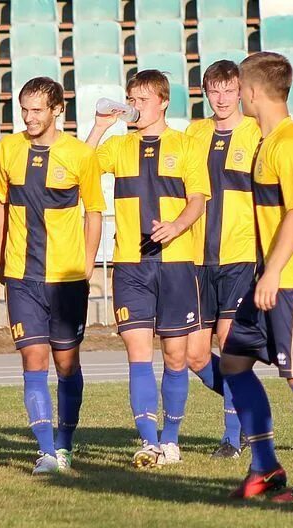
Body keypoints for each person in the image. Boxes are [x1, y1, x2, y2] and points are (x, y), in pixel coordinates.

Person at [220, 52, 293, 503]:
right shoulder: (269, 141)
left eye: (239, 88)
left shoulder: (290, 144)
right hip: (266, 278)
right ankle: (266, 466)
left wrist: (274, 271)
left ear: (250, 92)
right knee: (233, 361)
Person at [87, 70, 209, 468]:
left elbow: (197, 201)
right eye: (131, 99)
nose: (135, 106)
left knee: (175, 356)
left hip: (175, 264)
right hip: (130, 264)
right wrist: (99, 127)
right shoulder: (119, 146)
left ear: (162, 102)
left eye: (142, 99)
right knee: (138, 355)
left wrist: (176, 227)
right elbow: (79, 169)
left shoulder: (186, 146)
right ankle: (149, 442)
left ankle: (171, 439)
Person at [0, 77, 104, 474]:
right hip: (22, 275)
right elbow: (1, 203)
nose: (28, 117)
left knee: (66, 364)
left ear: (58, 110)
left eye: (37, 109)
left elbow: (94, 211)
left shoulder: (79, 155)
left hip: (66, 278)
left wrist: (87, 262)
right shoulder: (8, 148)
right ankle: (45, 453)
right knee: (33, 360)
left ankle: (65, 444)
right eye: (23, 109)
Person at [185, 60, 261, 458]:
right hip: (197, 259)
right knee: (194, 355)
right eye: (214, 90)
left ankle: (232, 438)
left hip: (239, 257)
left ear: (240, 91)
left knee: (229, 347)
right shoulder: (194, 133)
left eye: (229, 90)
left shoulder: (257, 133)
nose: (221, 98)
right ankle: (250, 405)